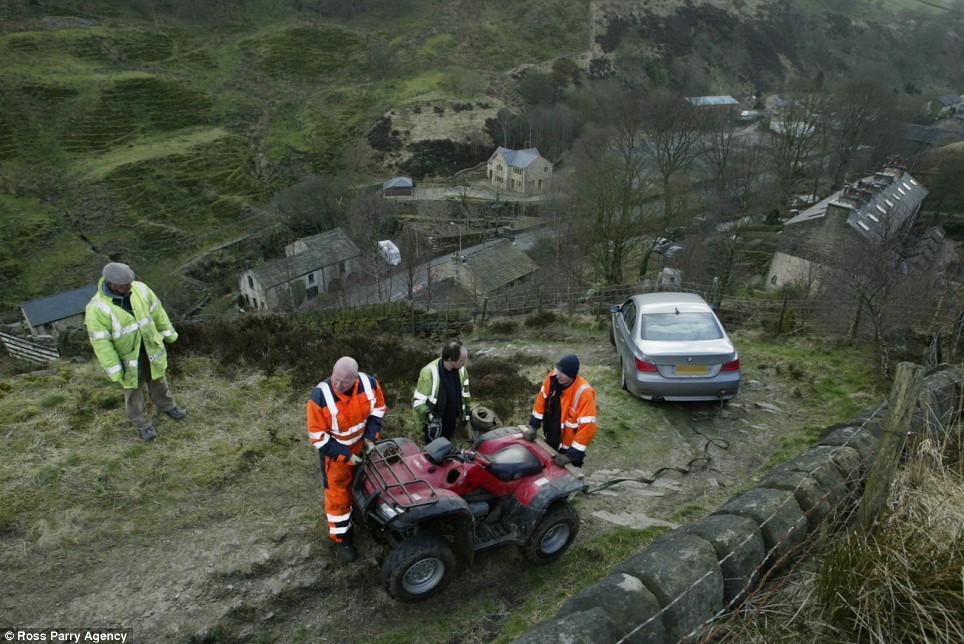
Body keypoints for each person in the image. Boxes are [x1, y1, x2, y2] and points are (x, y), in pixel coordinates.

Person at [85, 262, 186, 442]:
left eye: (130, 282)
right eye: (124, 284)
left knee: (158, 379)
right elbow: (101, 342)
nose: (129, 286)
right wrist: (114, 368)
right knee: (133, 391)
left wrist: (169, 334)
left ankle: (167, 406)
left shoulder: (141, 289)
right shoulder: (96, 308)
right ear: (111, 284)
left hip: (150, 347)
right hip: (128, 358)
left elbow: (158, 312)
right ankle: (143, 424)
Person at [306, 356, 387, 563]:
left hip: (362, 447)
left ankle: (365, 519)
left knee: (368, 485)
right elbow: (318, 436)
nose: (338, 385)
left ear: (355, 379)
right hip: (336, 455)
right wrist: (345, 456)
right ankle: (343, 539)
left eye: (345, 382)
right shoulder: (320, 397)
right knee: (338, 496)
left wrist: (370, 438)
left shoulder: (369, 384)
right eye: (335, 379)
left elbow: (378, 409)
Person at [523, 354, 597, 468]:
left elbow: (587, 428)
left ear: (572, 375)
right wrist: (533, 426)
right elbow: (541, 400)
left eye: (563, 373)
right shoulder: (553, 376)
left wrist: (570, 456)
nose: (558, 375)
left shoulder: (584, 393)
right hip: (551, 436)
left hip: (569, 448)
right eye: (558, 370)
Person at [412, 339, 470, 444]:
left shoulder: (461, 369)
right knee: (433, 452)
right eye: (462, 360)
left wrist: (466, 414)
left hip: (451, 420)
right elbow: (417, 402)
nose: (464, 362)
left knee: (446, 447)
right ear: (450, 359)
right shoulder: (429, 372)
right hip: (434, 424)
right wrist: (429, 414)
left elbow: (466, 393)